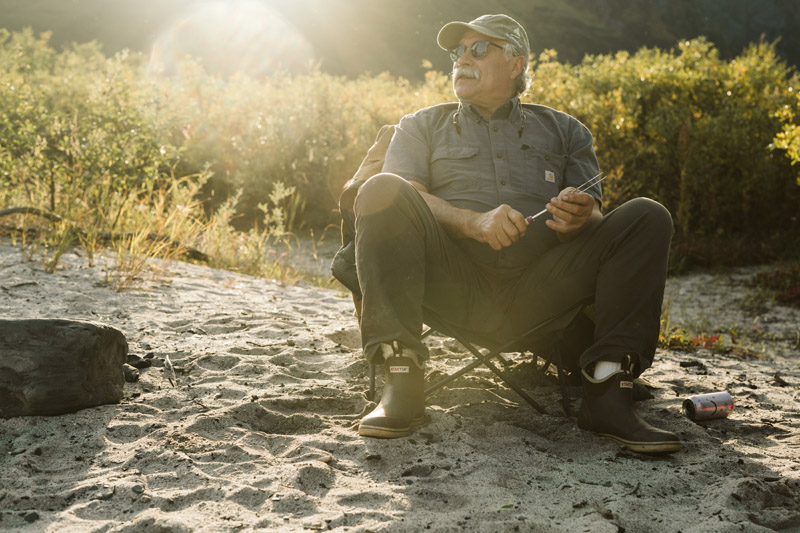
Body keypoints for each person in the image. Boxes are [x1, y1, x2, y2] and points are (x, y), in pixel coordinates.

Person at [346, 14, 680, 454]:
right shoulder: (420, 125)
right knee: (382, 188)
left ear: (516, 63)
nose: (462, 59)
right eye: (457, 52)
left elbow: (596, 220)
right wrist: (473, 222)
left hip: (542, 290)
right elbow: (406, 194)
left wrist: (581, 219)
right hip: (453, 282)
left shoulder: (568, 131)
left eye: (478, 49)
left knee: (648, 215)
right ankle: (402, 382)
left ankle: (606, 392)